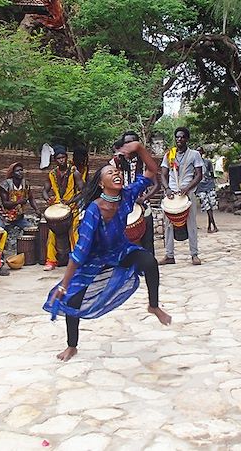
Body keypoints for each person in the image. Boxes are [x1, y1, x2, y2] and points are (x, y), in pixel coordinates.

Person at [44, 141, 172, 362]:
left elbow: (153, 170)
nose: (117, 175)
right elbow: (80, 252)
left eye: (118, 172)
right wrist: (65, 284)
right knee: (73, 301)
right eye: (110, 173)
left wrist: (139, 147)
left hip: (120, 251)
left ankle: (153, 305)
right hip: (94, 258)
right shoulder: (94, 210)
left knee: (149, 262)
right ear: (101, 184)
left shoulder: (127, 195)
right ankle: (71, 346)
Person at [160, 127, 204, 266]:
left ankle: (194, 254)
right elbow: (163, 174)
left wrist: (188, 187)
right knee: (168, 225)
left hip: (187, 193)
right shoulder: (169, 154)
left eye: (182, 137)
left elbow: (199, 175)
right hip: (172, 194)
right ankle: (169, 255)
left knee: (191, 223)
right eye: (177, 137)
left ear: (187, 139)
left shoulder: (194, 154)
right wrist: (167, 188)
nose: (179, 139)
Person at [112, 131, 159, 255]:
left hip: (143, 207)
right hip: (125, 208)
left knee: (147, 242)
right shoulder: (118, 162)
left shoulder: (144, 163)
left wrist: (144, 198)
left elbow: (156, 185)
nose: (129, 145)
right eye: (126, 142)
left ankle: (148, 268)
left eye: (132, 142)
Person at [42, 146, 85, 270]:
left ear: (67, 158)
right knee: (51, 234)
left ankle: (76, 261)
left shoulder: (74, 172)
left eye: (63, 157)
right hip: (57, 207)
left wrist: (72, 200)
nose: (61, 160)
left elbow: (83, 190)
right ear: (55, 160)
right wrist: (47, 199)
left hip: (72, 207)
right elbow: (44, 191)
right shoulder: (51, 174)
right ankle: (51, 261)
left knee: (74, 234)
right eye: (58, 158)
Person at [0, 162, 41, 230]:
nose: (20, 172)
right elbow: (5, 204)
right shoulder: (5, 185)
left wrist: (36, 210)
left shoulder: (25, 184)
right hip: (3, 217)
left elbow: (31, 198)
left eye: (21, 170)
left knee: (32, 229)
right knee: (0, 231)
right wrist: (18, 202)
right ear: (12, 173)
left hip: (18, 217)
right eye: (17, 171)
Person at [196, 147, 218, 234]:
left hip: (209, 185)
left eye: (200, 151)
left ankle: (210, 226)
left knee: (211, 207)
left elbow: (212, 173)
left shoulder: (207, 162)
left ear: (202, 152)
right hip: (201, 187)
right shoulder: (193, 163)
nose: (199, 153)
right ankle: (213, 226)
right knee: (207, 207)